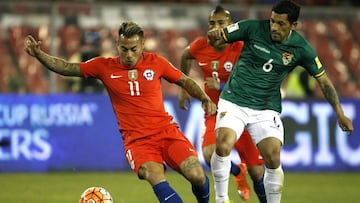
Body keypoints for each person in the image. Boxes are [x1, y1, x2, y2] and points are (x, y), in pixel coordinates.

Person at [24, 21, 218, 203]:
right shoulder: (104, 67)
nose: (128, 55)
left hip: (167, 132)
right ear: (118, 45)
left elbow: (185, 81)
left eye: (134, 49)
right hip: (138, 141)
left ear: (142, 45)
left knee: (197, 175)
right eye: (124, 49)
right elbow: (67, 68)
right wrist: (40, 55)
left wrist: (204, 98)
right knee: (154, 175)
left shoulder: (156, 63)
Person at [207, 1, 354, 203]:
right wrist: (214, 37)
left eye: (281, 24)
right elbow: (218, 41)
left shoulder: (302, 49)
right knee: (223, 145)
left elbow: (324, 81)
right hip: (234, 100)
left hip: (266, 109)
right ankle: (221, 199)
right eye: (272, 21)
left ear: (293, 25)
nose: (274, 27)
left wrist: (339, 112)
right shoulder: (252, 27)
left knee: (273, 159)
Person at [178, 5, 266, 202]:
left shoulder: (243, 48)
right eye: (212, 23)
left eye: (221, 23)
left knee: (257, 172)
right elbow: (185, 55)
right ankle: (236, 171)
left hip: (243, 111)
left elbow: (253, 84)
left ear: (231, 26)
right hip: (215, 112)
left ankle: (248, 176)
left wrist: (222, 85)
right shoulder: (200, 46)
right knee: (210, 155)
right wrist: (183, 88)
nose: (215, 27)